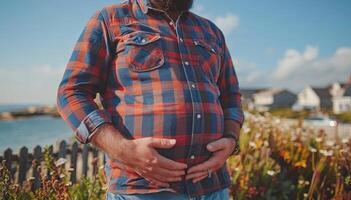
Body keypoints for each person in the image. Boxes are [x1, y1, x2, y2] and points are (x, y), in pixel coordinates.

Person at [57, 0, 244, 199]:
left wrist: (231, 140)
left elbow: (231, 96)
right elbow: (71, 93)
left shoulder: (212, 32)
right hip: (141, 190)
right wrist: (123, 150)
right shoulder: (110, 19)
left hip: (213, 187)